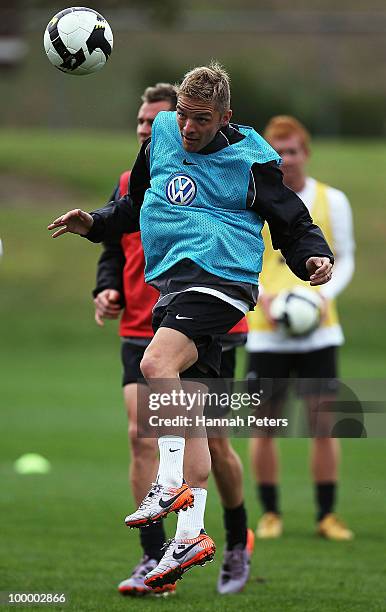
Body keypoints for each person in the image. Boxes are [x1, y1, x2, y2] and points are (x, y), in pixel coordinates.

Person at [48, 62, 334, 589]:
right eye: (183, 117)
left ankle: (170, 480)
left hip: (222, 279)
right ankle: (192, 535)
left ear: (226, 116)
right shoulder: (162, 137)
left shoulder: (251, 158)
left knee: (157, 364)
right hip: (176, 284)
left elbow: (291, 219)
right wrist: (94, 223)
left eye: (201, 119)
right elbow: (135, 204)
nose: (188, 129)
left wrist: (313, 256)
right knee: (196, 416)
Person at [94, 82, 254, 596]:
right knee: (145, 435)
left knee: (212, 442)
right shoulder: (135, 177)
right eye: (142, 122)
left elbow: (252, 215)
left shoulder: (217, 167)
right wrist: (106, 288)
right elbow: (114, 245)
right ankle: (161, 554)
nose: (149, 130)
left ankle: (232, 538)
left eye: (154, 122)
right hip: (145, 321)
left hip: (209, 311)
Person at [246, 115, 355, 541]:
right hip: (267, 330)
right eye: (279, 153)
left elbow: (345, 257)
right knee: (264, 425)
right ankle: (271, 513)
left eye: (292, 151)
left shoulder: (333, 200)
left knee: (322, 425)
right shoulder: (254, 199)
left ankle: (327, 515)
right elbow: (239, 254)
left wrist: (323, 296)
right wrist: (262, 296)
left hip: (319, 330)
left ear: (305, 153)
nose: (287, 159)